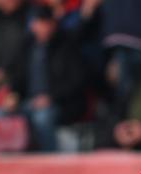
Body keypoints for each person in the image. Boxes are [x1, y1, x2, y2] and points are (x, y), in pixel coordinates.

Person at [7, 5, 86, 152]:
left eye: (45, 23)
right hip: (28, 101)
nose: (42, 28)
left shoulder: (67, 45)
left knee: (42, 118)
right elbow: (17, 77)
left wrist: (51, 97)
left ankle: (49, 160)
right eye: (38, 23)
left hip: (61, 103)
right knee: (0, 114)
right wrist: (13, 95)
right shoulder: (27, 46)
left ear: (53, 24)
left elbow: (77, 81)